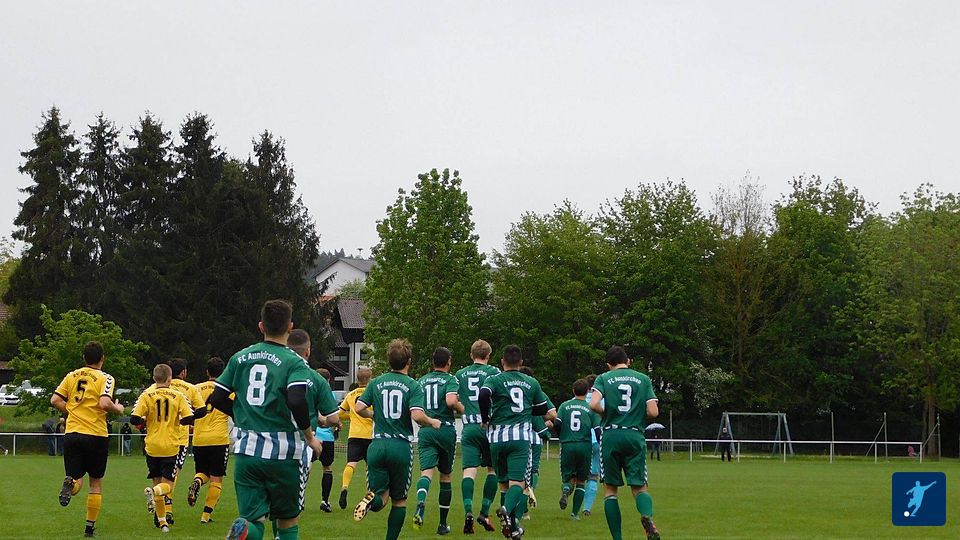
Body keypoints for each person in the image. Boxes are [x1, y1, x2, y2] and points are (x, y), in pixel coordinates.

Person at [207, 299, 335, 540]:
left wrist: (240, 414)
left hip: (247, 452)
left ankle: (245, 530)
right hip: (284, 453)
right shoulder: (294, 362)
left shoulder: (240, 357)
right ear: (290, 327)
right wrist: (310, 438)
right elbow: (296, 400)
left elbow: (216, 397)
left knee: (253, 520)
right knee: (287, 521)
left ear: (261, 326)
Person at [352, 339, 441, 540]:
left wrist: (373, 415)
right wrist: (432, 422)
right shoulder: (413, 385)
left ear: (389, 360)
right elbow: (417, 415)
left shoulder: (376, 382)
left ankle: (370, 501)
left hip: (377, 445)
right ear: (408, 361)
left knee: (380, 496)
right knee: (399, 501)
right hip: (400, 446)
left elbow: (358, 407)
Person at [479, 345, 557, 539]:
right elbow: (543, 408)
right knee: (518, 483)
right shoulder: (531, 382)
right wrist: (527, 409)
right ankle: (506, 509)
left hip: (496, 438)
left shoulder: (494, 379)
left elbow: (483, 394)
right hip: (520, 438)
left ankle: (513, 528)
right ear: (521, 363)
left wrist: (485, 418)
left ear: (502, 362)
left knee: (504, 485)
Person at [51, 340, 125, 538]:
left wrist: (72, 411)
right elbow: (104, 403)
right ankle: (89, 528)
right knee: (95, 483)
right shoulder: (106, 378)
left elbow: (55, 399)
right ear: (102, 358)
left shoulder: (71, 375)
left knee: (76, 479)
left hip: (72, 434)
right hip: (95, 434)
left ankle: (70, 484)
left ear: (84, 358)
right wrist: (118, 408)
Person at [589, 346, 660, 540]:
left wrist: (607, 413)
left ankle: (618, 538)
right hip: (634, 435)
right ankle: (646, 516)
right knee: (639, 487)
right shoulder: (643, 379)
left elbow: (593, 404)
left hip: (611, 436)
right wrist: (636, 414)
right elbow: (653, 412)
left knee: (610, 491)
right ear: (628, 361)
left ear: (608, 364)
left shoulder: (603, 378)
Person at [131, 364, 198, 533]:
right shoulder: (178, 395)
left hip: (152, 446)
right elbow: (190, 417)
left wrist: (145, 420)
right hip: (170, 446)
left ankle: (162, 523)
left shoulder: (146, 395)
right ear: (170, 379)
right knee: (167, 485)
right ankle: (153, 493)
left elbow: (134, 419)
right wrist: (178, 421)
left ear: (154, 378)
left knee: (157, 480)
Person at [287, 329, 340, 513]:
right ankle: (321, 501)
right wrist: (324, 422)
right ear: (308, 351)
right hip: (305, 439)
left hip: (271, 439)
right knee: (321, 469)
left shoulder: (277, 372)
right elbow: (334, 418)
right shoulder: (316, 380)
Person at [413, 347, 464, 535]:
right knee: (445, 477)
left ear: (432, 362)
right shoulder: (451, 380)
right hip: (445, 429)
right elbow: (451, 401)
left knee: (426, 473)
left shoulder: (421, 381)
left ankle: (421, 501)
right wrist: (463, 409)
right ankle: (442, 524)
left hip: (426, 430)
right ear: (449, 362)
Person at [454, 339, 501, 534]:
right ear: (488, 355)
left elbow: (454, 398)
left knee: (469, 471)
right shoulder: (494, 372)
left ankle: (468, 511)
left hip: (469, 426)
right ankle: (484, 512)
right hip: (489, 426)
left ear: (471, 355)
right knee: (493, 470)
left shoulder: (460, 374)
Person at [187, 357, 231, 523]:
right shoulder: (226, 389)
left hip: (199, 439)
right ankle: (206, 516)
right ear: (223, 372)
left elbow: (188, 410)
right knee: (216, 478)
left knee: (202, 472)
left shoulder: (196, 388)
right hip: (219, 439)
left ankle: (197, 482)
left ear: (207, 372)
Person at [552, 378, 599, 519]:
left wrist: (562, 436)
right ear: (587, 392)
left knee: (567, 478)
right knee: (581, 481)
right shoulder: (590, 408)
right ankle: (574, 514)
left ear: (573, 390)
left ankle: (566, 489)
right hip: (585, 445)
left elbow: (557, 423)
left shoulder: (565, 405)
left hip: (568, 444)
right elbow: (597, 430)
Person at [337, 366, 374, 510]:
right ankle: (369, 495)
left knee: (351, 464)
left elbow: (340, 413)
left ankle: (345, 487)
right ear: (369, 379)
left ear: (357, 379)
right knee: (370, 467)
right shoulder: (372, 393)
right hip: (370, 435)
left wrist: (352, 416)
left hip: (354, 435)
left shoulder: (351, 395)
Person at [518, 366, 551, 518]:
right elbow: (552, 414)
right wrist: (545, 424)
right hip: (534, 438)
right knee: (533, 471)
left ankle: (519, 507)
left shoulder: (507, 388)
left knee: (516, 474)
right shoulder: (537, 390)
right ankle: (528, 496)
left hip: (514, 436)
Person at [580, 374, 601, 516]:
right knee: (593, 476)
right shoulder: (602, 400)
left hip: (579, 441)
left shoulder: (576, 400)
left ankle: (567, 489)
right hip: (596, 441)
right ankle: (587, 508)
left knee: (578, 476)